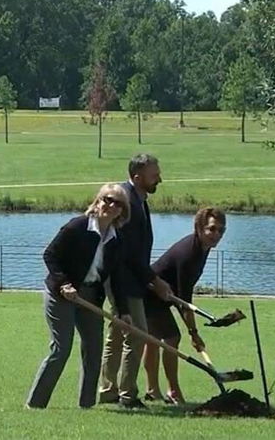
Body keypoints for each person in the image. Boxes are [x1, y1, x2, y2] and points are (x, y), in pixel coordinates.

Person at [26, 183, 131, 409]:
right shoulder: (77, 226)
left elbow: (118, 278)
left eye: (117, 203)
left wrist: (123, 311)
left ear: (122, 211)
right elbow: (50, 255)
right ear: (97, 201)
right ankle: (35, 405)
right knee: (61, 348)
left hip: (91, 297)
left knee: (93, 351)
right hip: (61, 294)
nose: (110, 205)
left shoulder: (117, 240)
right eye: (107, 199)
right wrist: (64, 284)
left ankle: (86, 406)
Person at [98, 154, 173, 409]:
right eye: (155, 175)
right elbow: (128, 252)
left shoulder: (139, 199)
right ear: (138, 177)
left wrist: (150, 280)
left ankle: (108, 390)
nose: (159, 179)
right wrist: (154, 279)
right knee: (137, 334)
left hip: (130, 278)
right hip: (122, 280)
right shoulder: (127, 200)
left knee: (118, 334)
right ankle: (127, 395)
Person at [142, 207, 227, 404]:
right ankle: (172, 391)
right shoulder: (189, 253)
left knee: (154, 340)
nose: (217, 235)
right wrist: (193, 332)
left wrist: (193, 331)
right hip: (149, 294)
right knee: (171, 337)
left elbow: (182, 296)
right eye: (212, 229)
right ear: (199, 228)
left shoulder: (202, 248)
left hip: (165, 295)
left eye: (221, 231)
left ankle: (153, 390)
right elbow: (185, 301)